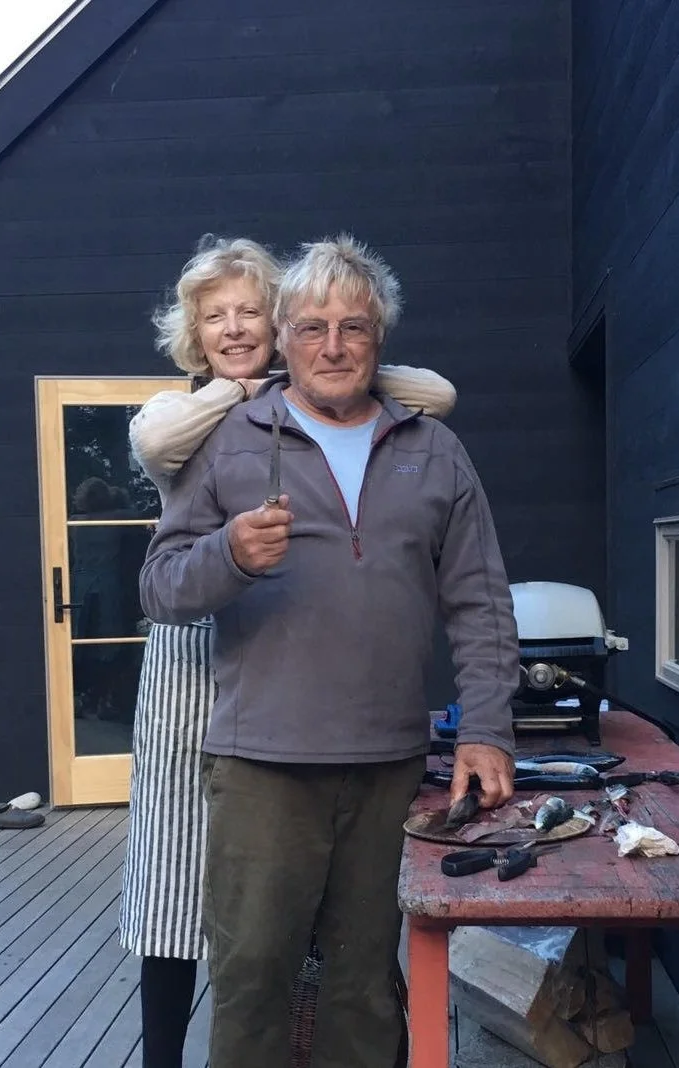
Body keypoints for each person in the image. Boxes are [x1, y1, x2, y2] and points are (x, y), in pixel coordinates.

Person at [139, 235, 519, 1068]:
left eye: (354, 327)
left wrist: (487, 728)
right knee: (252, 986)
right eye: (311, 327)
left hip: (389, 767)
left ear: (379, 338)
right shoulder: (230, 438)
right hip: (260, 770)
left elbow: (480, 603)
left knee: (363, 988)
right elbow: (159, 587)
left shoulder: (432, 448)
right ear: (283, 337)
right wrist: (229, 554)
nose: (333, 346)